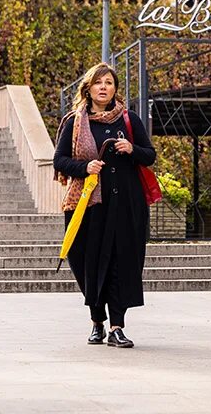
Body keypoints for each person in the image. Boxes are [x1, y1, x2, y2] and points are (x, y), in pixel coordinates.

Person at [53, 63, 155, 348]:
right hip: (88, 205)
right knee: (88, 261)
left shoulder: (129, 119)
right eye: (98, 83)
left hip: (125, 204)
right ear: (88, 87)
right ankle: (96, 321)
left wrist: (132, 149)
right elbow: (59, 161)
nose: (103, 88)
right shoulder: (75, 122)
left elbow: (150, 156)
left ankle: (117, 327)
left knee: (121, 262)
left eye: (109, 83)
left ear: (115, 89)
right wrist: (85, 166)